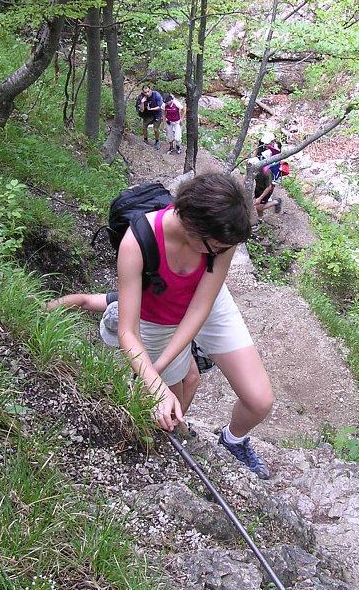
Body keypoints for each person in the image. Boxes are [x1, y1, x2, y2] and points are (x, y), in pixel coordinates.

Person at [92, 174, 273, 478]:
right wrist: (156, 384)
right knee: (167, 407)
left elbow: (201, 307)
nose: (221, 252)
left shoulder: (222, 234)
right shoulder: (137, 242)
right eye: (216, 247)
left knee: (260, 400)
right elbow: (128, 331)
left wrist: (159, 367)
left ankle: (232, 440)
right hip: (157, 313)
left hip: (207, 299)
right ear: (192, 227)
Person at [47, 291, 203, 431]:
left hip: (170, 338)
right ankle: (178, 426)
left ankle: (177, 427)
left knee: (179, 385)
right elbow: (83, 300)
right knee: (190, 378)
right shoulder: (125, 299)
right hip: (172, 330)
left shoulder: (150, 336)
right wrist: (46, 307)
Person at [253, 154, 282, 223]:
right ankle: (260, 219)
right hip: (258, 188)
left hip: (266, 190)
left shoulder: (267, 173)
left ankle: (276, 202)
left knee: (259, 207)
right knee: (258, 205)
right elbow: (247, 175)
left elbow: (269, 187)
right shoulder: (253, 169)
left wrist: (260, 198)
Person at [135, 84, 164, 150]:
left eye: (148, 91)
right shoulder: (141, 97)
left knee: (155, 129)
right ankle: (145, 139)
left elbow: (160, 106)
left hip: (157, 113)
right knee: (144, 127)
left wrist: (151, 109)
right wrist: (142, 102)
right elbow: (141, 110)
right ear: (143, 92)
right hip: (147, 114)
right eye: (145, 92)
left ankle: (157, 141)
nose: (147, 93)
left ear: (150, 90)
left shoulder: (156, 95)